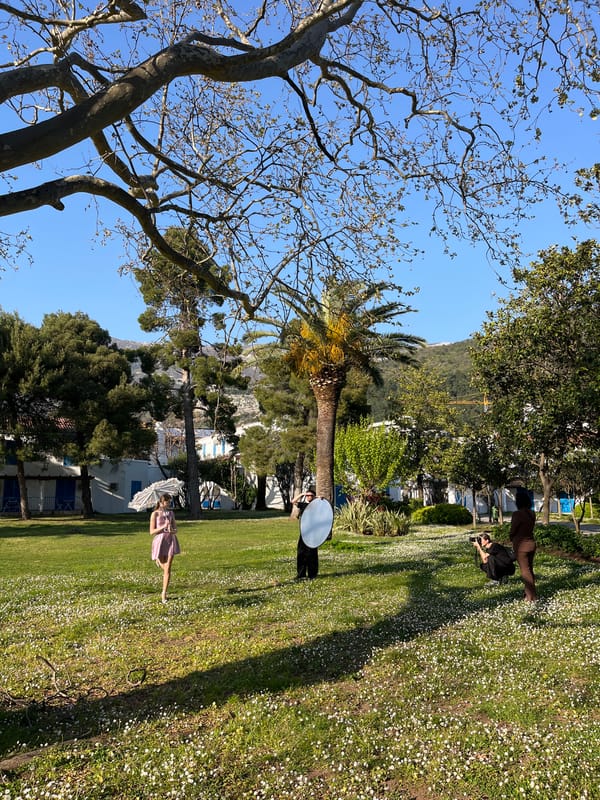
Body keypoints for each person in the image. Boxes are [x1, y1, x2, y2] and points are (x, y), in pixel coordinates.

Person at [150, 493, 181, 603]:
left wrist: (171, 529)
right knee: (165, 566)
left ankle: (164, 593)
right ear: (161, 502)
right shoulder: (155, 514)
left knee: (168, 568)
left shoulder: (171, 513)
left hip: (170, 540)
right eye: (167, 502)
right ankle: (158, 560)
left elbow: (176, 529)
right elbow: (151, 531)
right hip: (160, 540)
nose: (168, 504)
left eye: (169, 502)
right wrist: (163, 526)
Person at [510, 487, 537, 602]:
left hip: (521, 546)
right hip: (531, 543)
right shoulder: (532, 513)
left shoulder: (517, 514)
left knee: (525, 571)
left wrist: (511, 537)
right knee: (530, 570)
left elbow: (513, 530)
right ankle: (528, 593)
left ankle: (531, 597)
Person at [291, 486, 318, 580]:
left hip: (313, 533)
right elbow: (293, 501)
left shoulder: (317, 505)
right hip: (304, 532)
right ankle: (301, 574)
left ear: (314, 497)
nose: (309, 497)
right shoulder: (303, 505)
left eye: (311, 496)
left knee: (312, 554)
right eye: (308, 496)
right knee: (301, 553)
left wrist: (318, 498)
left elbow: (326, 505)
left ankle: (312, 574)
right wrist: (302, 494)